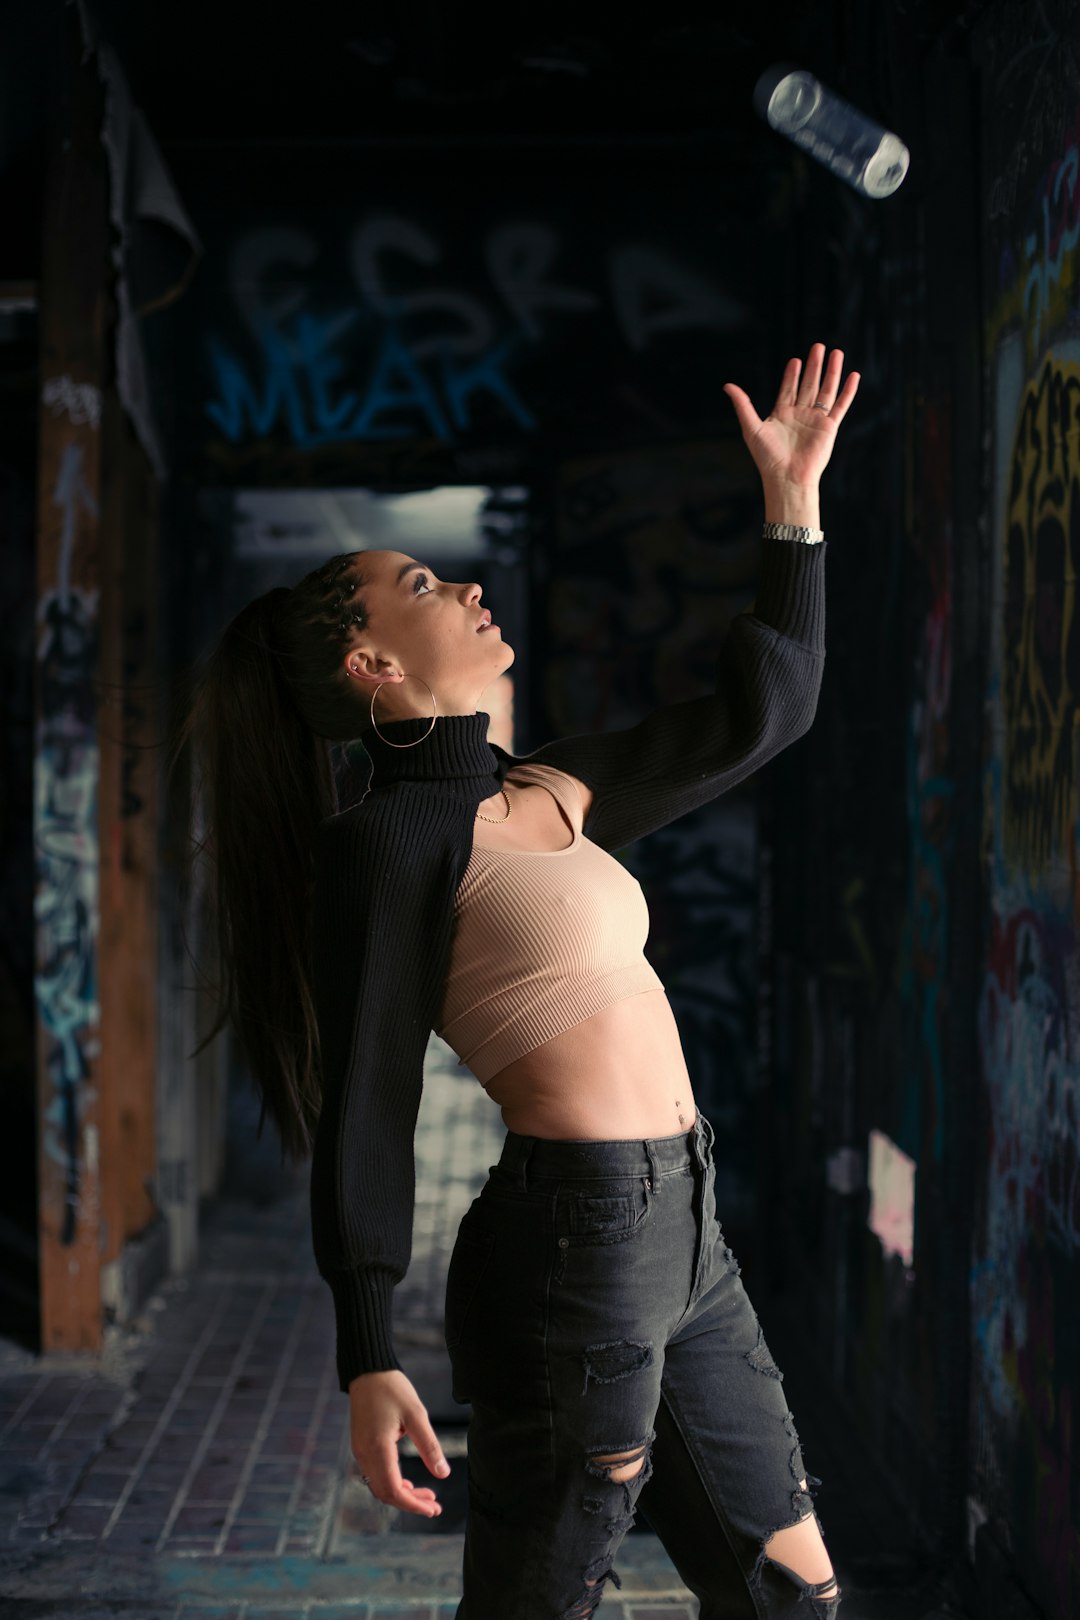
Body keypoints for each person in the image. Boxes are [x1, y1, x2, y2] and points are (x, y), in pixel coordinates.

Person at [178, 341, 859, 1619]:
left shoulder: (546, 787)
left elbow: (767, 713)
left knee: (790, 1590)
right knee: (540, 1601)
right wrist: (367, 1353)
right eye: (424, 583)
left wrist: (794, 507)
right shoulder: (385, 845)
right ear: (372, 666)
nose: (471, 587)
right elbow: (367, 1098)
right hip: (575, 1244)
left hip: (690, 1232)